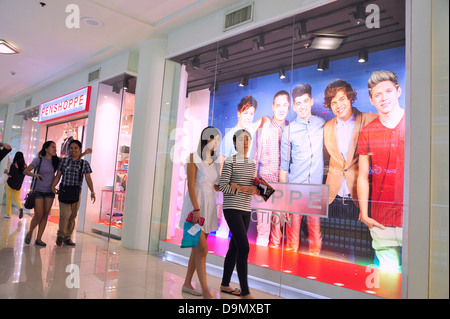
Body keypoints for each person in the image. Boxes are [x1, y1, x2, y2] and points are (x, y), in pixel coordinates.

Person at [323, 80, 378, 261]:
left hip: (358, 197)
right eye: (333, 103)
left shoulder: (369, 119)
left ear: (350, 98)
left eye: (342, 99)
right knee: (333, 249)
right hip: (334, 196)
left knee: (363, 250)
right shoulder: (328, 126)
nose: (339, 105)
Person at [357, 71, 405, 272]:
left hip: (414, 216)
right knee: (389, 277)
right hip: (381, 219)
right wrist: (364, 213)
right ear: (371, 99)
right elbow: (362, 176)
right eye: (377, 94)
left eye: (388, 91)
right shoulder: (368, 131)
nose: (383, 97)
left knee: (420, 279)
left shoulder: (417, 122)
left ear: (398, 91)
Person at [279, 84, 324, 255]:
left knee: (315, 238)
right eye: (298, 103)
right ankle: (289, 275)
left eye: (305, 101)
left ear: (311, 101)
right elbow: (283, 168)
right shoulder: (289, 131)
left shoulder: (321, 124)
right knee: (292, 239)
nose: (302, 106)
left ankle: (314, 273)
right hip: (295, 190)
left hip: (315, 190)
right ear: (294, 105)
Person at [180, 126, 221, 299]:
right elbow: (190, 185)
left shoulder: (216, 161)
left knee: (196, 249)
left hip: (209, 207)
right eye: (214, 139)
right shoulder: (193, 157)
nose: (216, 143)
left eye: (218, 140)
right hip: (195, 210)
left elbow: (217, 186)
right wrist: (196, 210)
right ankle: (205, 290)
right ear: (206, 139)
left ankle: (187, 283)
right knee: (202, 249)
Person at [24, 141, 91, 246]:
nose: (55, 149)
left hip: (50, 192)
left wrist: (84, 153)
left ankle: (39, 239)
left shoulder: (57, 160)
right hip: (38, 191)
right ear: (46, 149)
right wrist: (35, 175)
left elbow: (73, 158)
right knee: (38, 215)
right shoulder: (39, 160)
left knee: (46, 215)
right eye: (53, 147)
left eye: (55, 147)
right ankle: (30, 232)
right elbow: (25, 171)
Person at [219, 129, 259, 299]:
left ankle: (225, 284)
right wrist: (238, 188)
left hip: (245, 208)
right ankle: (245, 291)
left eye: (248, 140)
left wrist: (252, 189)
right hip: (231, 208)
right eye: (242, 140)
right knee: (244, 247)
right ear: (235, 143)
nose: (245, 143)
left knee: (234, 247)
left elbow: (258, 189)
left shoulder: (252, 163)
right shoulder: (230, 162)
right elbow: (223, 186)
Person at [252, 90, 290, 247]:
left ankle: (272, 267)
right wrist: (255, 185)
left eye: (285, 105)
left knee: (278, 229)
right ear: (273, 107)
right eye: (278, 105)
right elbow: (255, 160)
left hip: (283, 185)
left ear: (289, 107)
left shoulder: (291, 129)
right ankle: (258, 267)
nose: (281, 109)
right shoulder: (264, 129)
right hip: (265, 183)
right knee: (263, 228)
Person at [52, 140, 95, 247]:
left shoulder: (84, 163)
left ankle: (68, 238)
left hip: (76, 193)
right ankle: (60, 235)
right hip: (64, 191)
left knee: (72, 216)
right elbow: (58, 175)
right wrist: (53, 186)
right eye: (71, 148)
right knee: (65, 214)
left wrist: (92, 191)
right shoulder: (64, 161)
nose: (73, 150)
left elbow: (88, 178)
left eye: (76, 148)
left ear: (80, 149)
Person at [4, 152, 26, 219]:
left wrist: (6, 173)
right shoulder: (25, 166)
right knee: (16, 199)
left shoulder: (13, 165)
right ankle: (20, 208)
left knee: (8, 199)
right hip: (18, 185)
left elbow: (10, 175)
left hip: (10, 184)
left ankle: (8, 214)